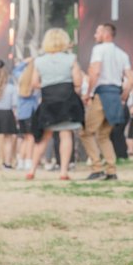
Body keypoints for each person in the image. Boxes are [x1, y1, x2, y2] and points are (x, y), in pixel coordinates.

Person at [29, 28, 84, 182]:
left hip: (48, 102)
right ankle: (63, 172)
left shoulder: (39, 61)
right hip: (67, 101)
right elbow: (78, 81)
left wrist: (47, 85)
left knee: (44, 137)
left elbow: (34, 83)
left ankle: (32, 170)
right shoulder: (71, 59)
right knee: (66, 135)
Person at [82, 23, 132, 182]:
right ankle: (111, 170)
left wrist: (88, 93)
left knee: (86, 132)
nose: (95, 35)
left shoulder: (99, 50)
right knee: (104, 135)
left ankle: (97, 168)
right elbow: (131, 78)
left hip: (102, 94)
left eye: (97, 32)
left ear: (105, 34)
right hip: (115, 95)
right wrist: (124, 95)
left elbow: (95, 71)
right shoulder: (122, 54)